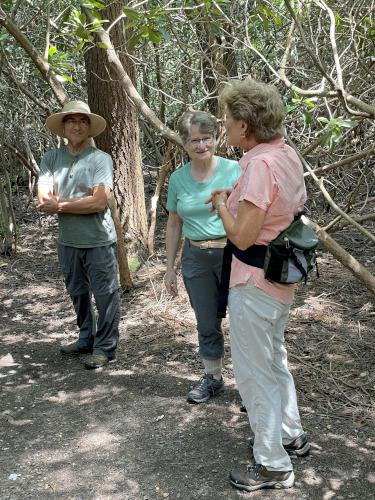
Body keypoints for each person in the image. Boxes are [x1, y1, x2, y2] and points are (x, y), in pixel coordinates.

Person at [211, 79, 310, 491]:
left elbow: (243, 237)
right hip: (279, 282)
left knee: (254, 372)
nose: (225, 127)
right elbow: (277, 207)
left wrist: (220, 204)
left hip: (253, 282)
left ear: (246, 127)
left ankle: (273, 464)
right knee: (274, 359)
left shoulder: (257, 164)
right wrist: (232, 195)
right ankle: (291, 434)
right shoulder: (284, 153)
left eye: (229, 121)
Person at [165, 110, 241, 403]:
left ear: (216, 137)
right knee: (207, 321)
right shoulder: (178, 178)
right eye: (193, 140)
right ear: (183, 143)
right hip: (195, 255)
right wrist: (169, 268)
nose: (200, 146)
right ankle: (213, 377)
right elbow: (174, 223)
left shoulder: (236, 169)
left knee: (243, 321)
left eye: (206, 139)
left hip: (234, 253)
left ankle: (249, 386)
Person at [37, 101, 120, 370]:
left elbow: (98, 203)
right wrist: (74, 202)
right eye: (71, 120)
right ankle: (86, 338)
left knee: (105, 295)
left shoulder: (100, 159)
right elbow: (43, 198)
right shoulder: (51, 158)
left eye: (82, 121)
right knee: (77, 293)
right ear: (63, 126)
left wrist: (60, 204)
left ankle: (105, 347)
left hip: (98, 240)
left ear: (89, 127)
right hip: (68, 241)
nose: (77, 125)